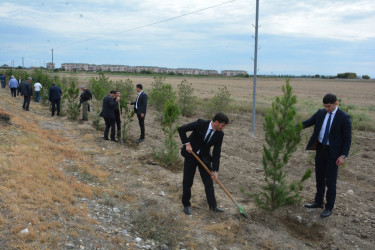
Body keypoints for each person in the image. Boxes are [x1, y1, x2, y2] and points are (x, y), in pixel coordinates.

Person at [302, 93, 352, 218]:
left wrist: (343, 156)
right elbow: (307, 123)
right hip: (321, 150)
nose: (326, 109)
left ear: (336, 104)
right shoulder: (320, 113)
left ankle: (329, 207)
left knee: (331, 182)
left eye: (329, 106)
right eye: (325, 106)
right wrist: (291, 128)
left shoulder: (343, 117)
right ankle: (318, 202)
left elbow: (347, 139)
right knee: (319, 178)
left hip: (333, 154)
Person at [178, 112, 229, 215]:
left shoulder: (220, 134)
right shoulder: (201, 123)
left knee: (208, 182)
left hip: (204, 158)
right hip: (191, 155)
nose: (223, 128)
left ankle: (213, 206)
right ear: (216, 122)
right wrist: (187, 144)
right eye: (222, 125)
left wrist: (215, 170)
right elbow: (181, 129)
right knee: (187, 181)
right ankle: (186, 205)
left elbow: (216, 152)